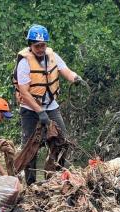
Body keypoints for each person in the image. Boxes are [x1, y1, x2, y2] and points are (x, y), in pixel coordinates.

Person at [12, 24, 84, 185]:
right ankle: (30, 183)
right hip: (30, 109)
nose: (40, 48)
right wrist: (40, 112)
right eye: (37, 46)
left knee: (62, 141)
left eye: (43, 45)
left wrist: (75, 78)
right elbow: (24, 92)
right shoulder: (24, 63)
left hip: (51, 106)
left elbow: (66, 71)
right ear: (30, 45)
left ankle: (54, 178)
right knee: (31, 147)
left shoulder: (52, 56)